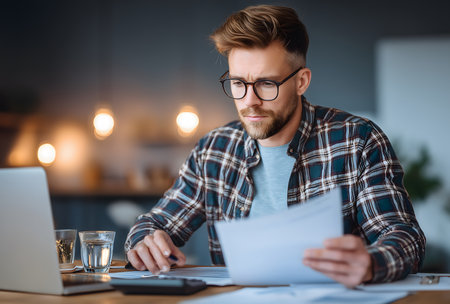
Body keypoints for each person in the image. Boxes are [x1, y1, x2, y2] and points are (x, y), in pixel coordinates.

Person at [125, 4, 425, 288]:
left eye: (267, 83)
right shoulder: (214, 150)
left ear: (301, 81)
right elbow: (156, 222)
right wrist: (145, 240)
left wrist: (371, 263)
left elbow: (404, 236)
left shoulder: (357, 140)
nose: (249, 100)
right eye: (238, 83)